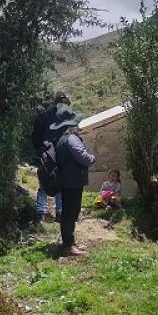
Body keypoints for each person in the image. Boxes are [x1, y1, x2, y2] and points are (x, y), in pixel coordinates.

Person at [53, 106, 96, 256]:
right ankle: (68, 245)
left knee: (69, 212)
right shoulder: (72, 138)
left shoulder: (61, 139)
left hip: (66, 180)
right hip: (73, 182)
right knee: (70, 213)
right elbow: (83, 157)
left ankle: (70, 242)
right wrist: (92, 158)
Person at [31, 92, 71, 222]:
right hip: (49, 154)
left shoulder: (64, 118)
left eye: (65, 102)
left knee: (54, 183)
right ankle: (46, 212)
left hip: (52, 154)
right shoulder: (49, 117)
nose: (63, 104)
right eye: (62, 101)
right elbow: (36, 136)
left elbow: (35, 137)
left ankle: (52, 212)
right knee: (49, 182)